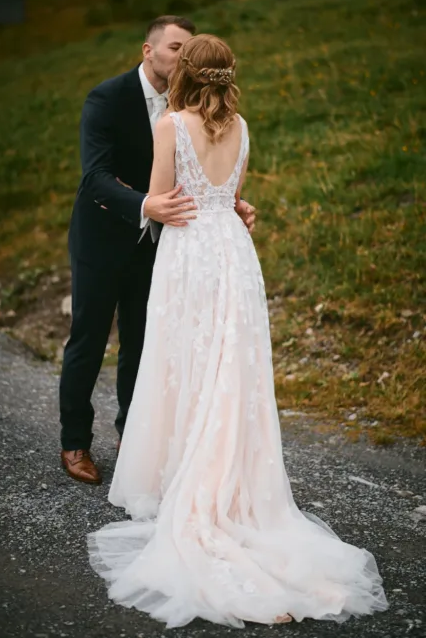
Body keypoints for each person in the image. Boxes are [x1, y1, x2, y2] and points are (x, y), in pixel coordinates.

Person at [87, 34, 389, 628]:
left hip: (190, 252)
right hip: (232, 250)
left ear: (186, 73)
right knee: (233, 367)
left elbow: (160, 198)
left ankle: (188, 481)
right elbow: (231, 197)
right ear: (227, 76)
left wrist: (160, 203)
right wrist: (235, 208)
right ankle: (235, 481)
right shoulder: (244, 127)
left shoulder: (170, 124)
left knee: (183, 360)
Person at [59, 16, 257, 485]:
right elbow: (95, 177)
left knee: (145, 343)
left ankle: (135, 438)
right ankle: (74, 442)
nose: (181, 56)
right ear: (148, 51)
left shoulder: (190, 109)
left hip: (166, 245)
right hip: (102, 239)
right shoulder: (107, 98)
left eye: (188, 50)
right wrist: (147, 204)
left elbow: (204, 174)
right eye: (173, 47)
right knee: (88, 339)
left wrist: (230, 203)